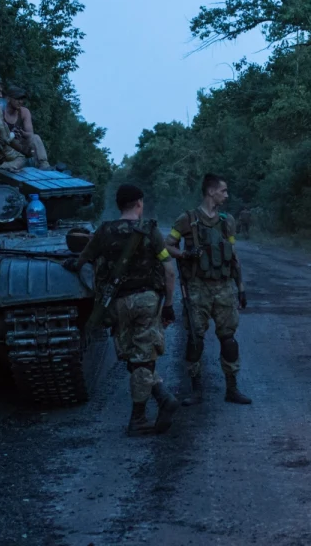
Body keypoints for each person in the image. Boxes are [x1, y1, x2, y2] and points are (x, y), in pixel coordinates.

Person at [64, 184, 180, 436]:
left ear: (119, 204)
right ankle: (139, 417)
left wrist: (74, 263)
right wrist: (169, 305)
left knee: (132, 356)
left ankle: (161, 396)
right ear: (138, 203)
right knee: (143, 357)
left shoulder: (104, 231)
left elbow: (83, 260)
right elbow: (169, 270)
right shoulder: (150, 231)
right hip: (147, 301)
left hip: (116, 304)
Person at [166, 173, 252, 405]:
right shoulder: (187, 219)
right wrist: (184, 254)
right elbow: (167, 245)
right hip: (197, 288)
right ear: (211, 192)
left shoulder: (228, 221)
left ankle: (232, 389)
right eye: (223, 191)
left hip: (224, 287)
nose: (226, 195)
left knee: (229, 340)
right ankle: (195, 390)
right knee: (195, 340)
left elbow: (233, 256)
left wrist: (240, 286)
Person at [3, 85, 51, 169]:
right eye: (17, 99)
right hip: (6, 146)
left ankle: (44, 164)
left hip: (20, 146)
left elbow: (30, 134)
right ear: (8, 99)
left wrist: (21, 132)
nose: (20, 102)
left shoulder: (24, 112)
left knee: (35, 137)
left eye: (22, 99)